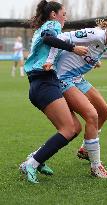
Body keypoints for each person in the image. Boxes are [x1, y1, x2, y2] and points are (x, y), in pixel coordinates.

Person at [25, 16, 107, 179]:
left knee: (104, 112)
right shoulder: (94, 34)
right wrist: (50, 60)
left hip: (77, 78)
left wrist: (93, 61)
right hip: (63, 78)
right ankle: (96, 167)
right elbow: (59, 38)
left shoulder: (106, 41)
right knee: (91, 115)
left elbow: (89, 52)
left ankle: (85, 149)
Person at [19, 0, 88, 184]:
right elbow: (49, 39)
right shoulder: (52, 25)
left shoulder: (45, 27)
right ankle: (31, 164)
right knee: (68, 128)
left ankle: (37, 157)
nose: (65, 18)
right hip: (43, 82)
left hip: (45, 82)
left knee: (75, 128)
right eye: (63, 14)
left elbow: (54, 45)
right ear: (53, 14)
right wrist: (74, 49)